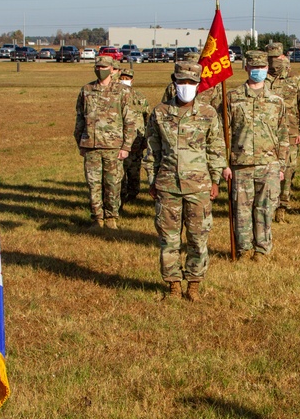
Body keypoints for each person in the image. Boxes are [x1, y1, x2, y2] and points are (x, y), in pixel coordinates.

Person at [144, 61, 227, 301]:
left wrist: (215, 181)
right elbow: (152, 149)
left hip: (199, 186)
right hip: (167, 185)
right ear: (174, 82)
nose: (186, 86)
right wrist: (152, 179)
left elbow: (216, 148)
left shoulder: (208, 113)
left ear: (198, 84)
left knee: (197, 237)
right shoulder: (160, 113)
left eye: (191, 82)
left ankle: (193, 285)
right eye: (182, 82)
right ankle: (172, 286)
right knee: (168, 239)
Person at [223, 50, 289, 260]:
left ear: (267, 69)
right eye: (254, 67)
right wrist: (223, 164)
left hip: (268, 164)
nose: (258, 71)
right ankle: (244, 249)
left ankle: (261, 249)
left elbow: (283, 135)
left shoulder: (276, 101)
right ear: (246, 68)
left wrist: (281, 165)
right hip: (240, 164)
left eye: (261, 68)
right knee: (241, 210)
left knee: (265, 208)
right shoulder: (232, 98)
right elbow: (222, 133)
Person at [74, 56, 138, 229]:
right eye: (97, 66)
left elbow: (130, 121)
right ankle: (97, 218)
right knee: (93, 185)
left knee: (112, 184)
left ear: (111, 69)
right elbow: (80, 117)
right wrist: (80, 142)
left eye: (103, 66)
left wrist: (126, 146)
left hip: (113, 146)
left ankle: (111, 218)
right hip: (91, 146)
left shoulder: (122, 91)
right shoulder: (87, 90)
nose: (99, 69)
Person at [265, 55, 300, 223]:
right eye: (271, 58)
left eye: (278, 57)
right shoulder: (262, 76)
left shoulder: (295, 78)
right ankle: (267, 207)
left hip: (290, 132)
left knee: (288, 170)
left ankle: (282, 208)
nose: (275, 62)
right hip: (267, 132)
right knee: (267, 170)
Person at [119, 64, 149, 205]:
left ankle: (133, 193)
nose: (124, 80)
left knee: (134, 169)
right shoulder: (116, 95)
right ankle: (120, 194)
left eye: (127, 78)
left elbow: (147, 117)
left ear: (132, 80)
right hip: (119, 139)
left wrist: (145, 139)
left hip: (136, 139)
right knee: (120, 170)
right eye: (122, 77)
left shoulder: (139, 97)